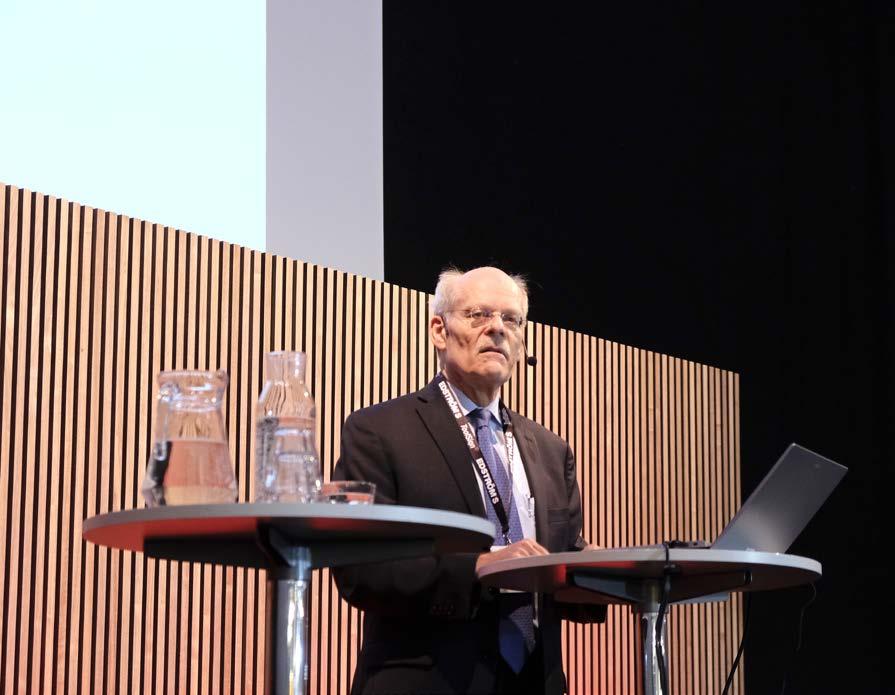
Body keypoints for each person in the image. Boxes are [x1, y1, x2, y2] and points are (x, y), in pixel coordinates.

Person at [332, 266, 604, 695]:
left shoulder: (553, 451)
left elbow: (563, 561)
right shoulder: (379, 431)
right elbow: (360, 567)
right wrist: (480, 567)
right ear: (439, 331)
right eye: (479, 315)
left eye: (511, 319)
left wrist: (608, 573)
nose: (497, 328)